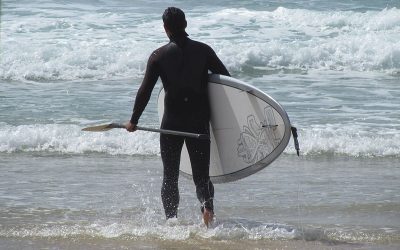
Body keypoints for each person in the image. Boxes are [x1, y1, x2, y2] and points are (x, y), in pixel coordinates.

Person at [125, 7, 230, 227]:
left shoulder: (158, 56)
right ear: (186, 24)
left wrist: (134, 120)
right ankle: (208, 211)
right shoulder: (204, 51)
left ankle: (171, 222)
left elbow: (145, 91)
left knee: (170, 176)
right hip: (198, 122)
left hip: (171, 124)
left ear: (165, 28)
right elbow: (227, 82)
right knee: (201, 176)